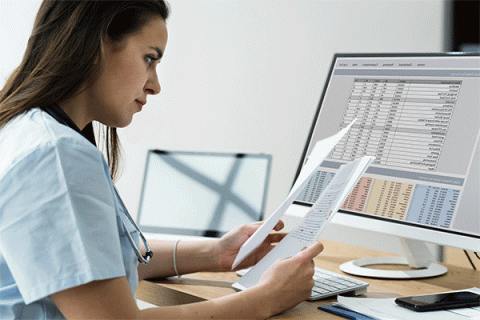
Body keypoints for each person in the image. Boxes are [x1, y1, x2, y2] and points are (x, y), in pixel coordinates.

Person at [0, 1, 324, 319]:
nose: (155, 85)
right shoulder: (56, 157)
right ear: (98, 42)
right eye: (149, 59)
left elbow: (95, 260)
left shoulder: (28, 132)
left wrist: (218, 253)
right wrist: (265, 298)